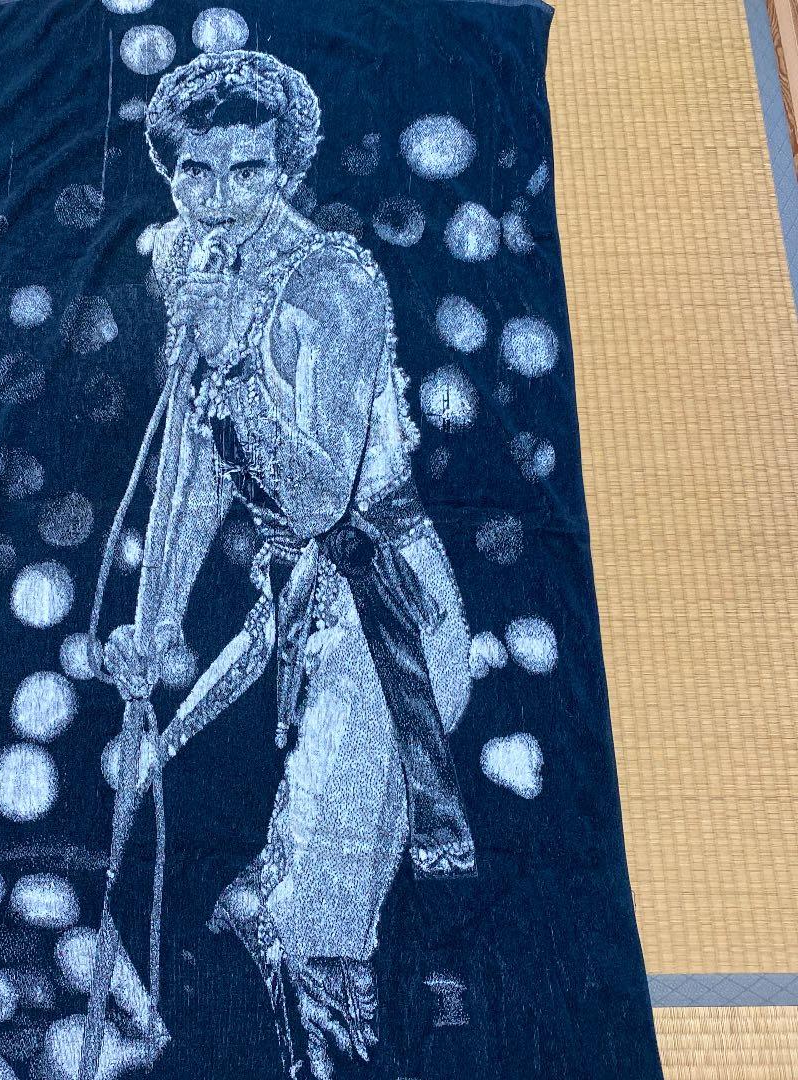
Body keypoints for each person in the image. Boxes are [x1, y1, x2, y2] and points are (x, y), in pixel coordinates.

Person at [104, 49, 476, 1080]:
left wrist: (238, 353)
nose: (221, 199)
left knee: (313, 922)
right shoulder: (184, 260)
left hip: (388, 616)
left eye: (250, 171)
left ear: (289, 169)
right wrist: (156, 618)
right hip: (293, 616)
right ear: (169, 171)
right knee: (215, 871)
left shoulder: (336, 284)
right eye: (197, 172)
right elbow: (191, 460)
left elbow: (319, 500)